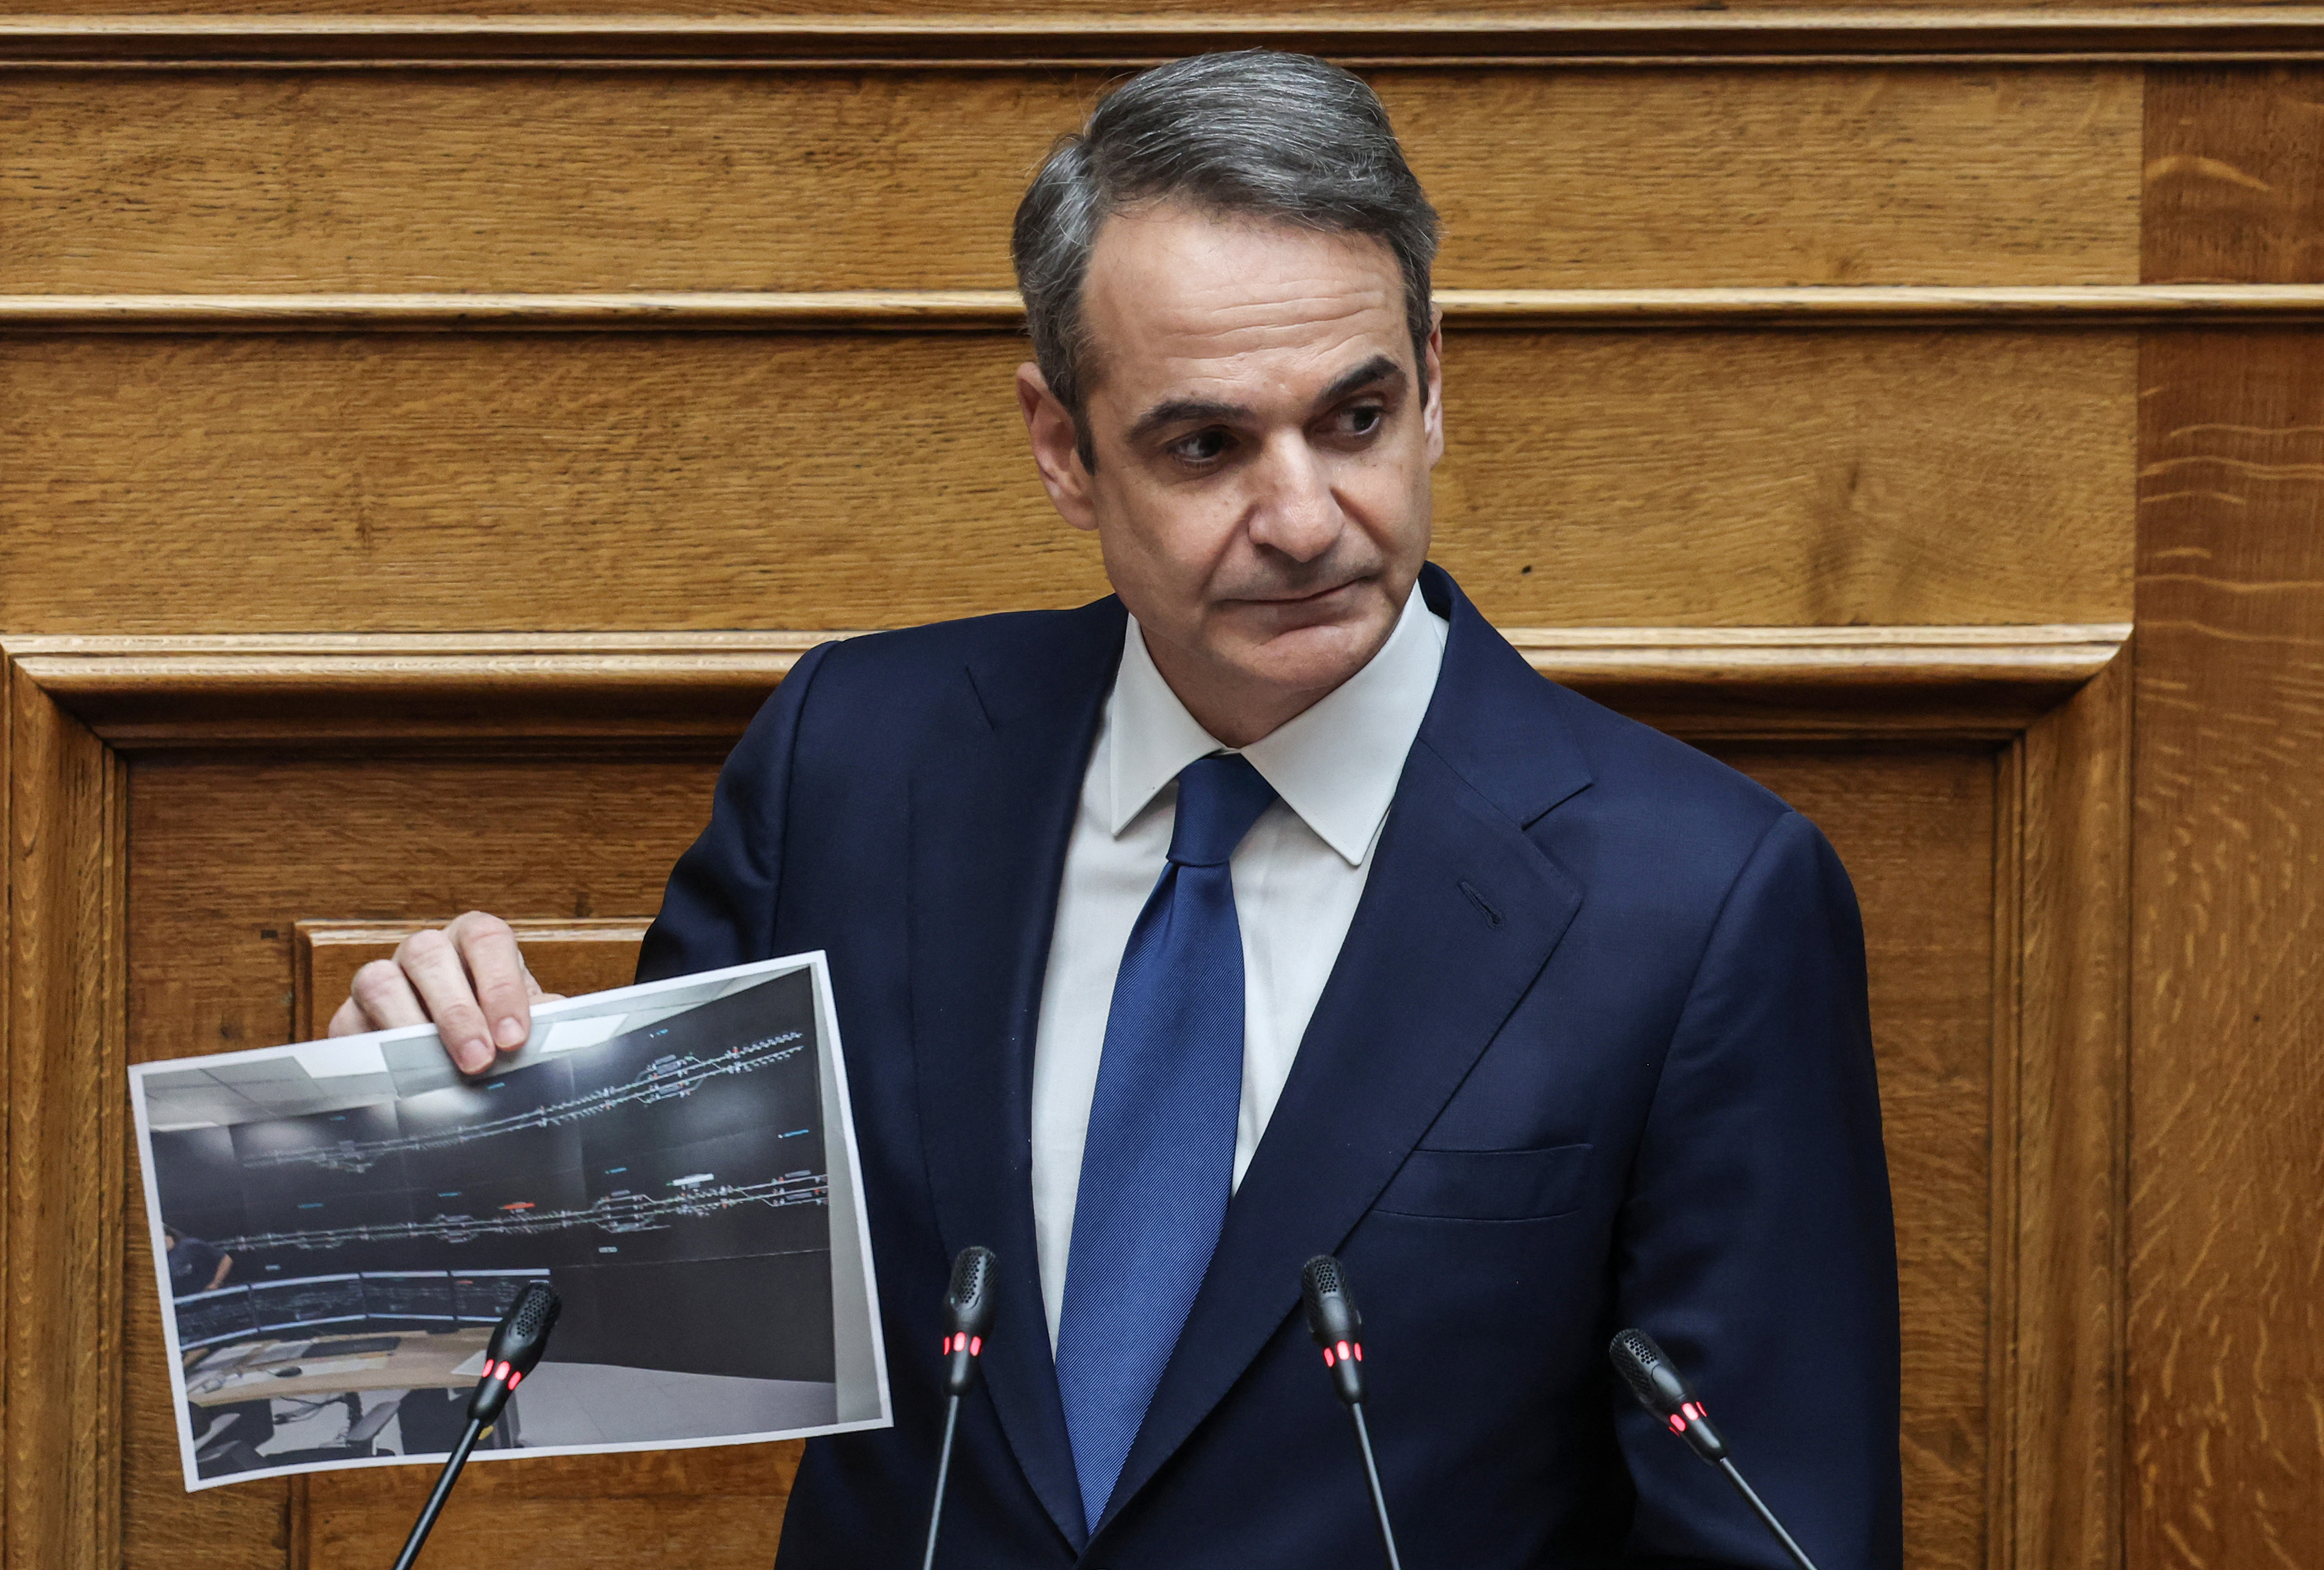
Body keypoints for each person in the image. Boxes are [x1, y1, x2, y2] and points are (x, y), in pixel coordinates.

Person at [331, 51, 1901, 1569]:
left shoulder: (1697, 899)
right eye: (1208, 445)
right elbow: (622, 1282)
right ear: (1064, 451)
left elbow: (1771, 1527)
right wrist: (423, 1100)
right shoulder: (861, 760)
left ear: (1434, 391)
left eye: (1355, 418)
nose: (1303, 519)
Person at [164, 1225, 234, 1295]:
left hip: (213, 1296)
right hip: (186, 1301)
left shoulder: (190, 1246)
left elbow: (226, 1259)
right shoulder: (163, 1260)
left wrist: (215, 1284)